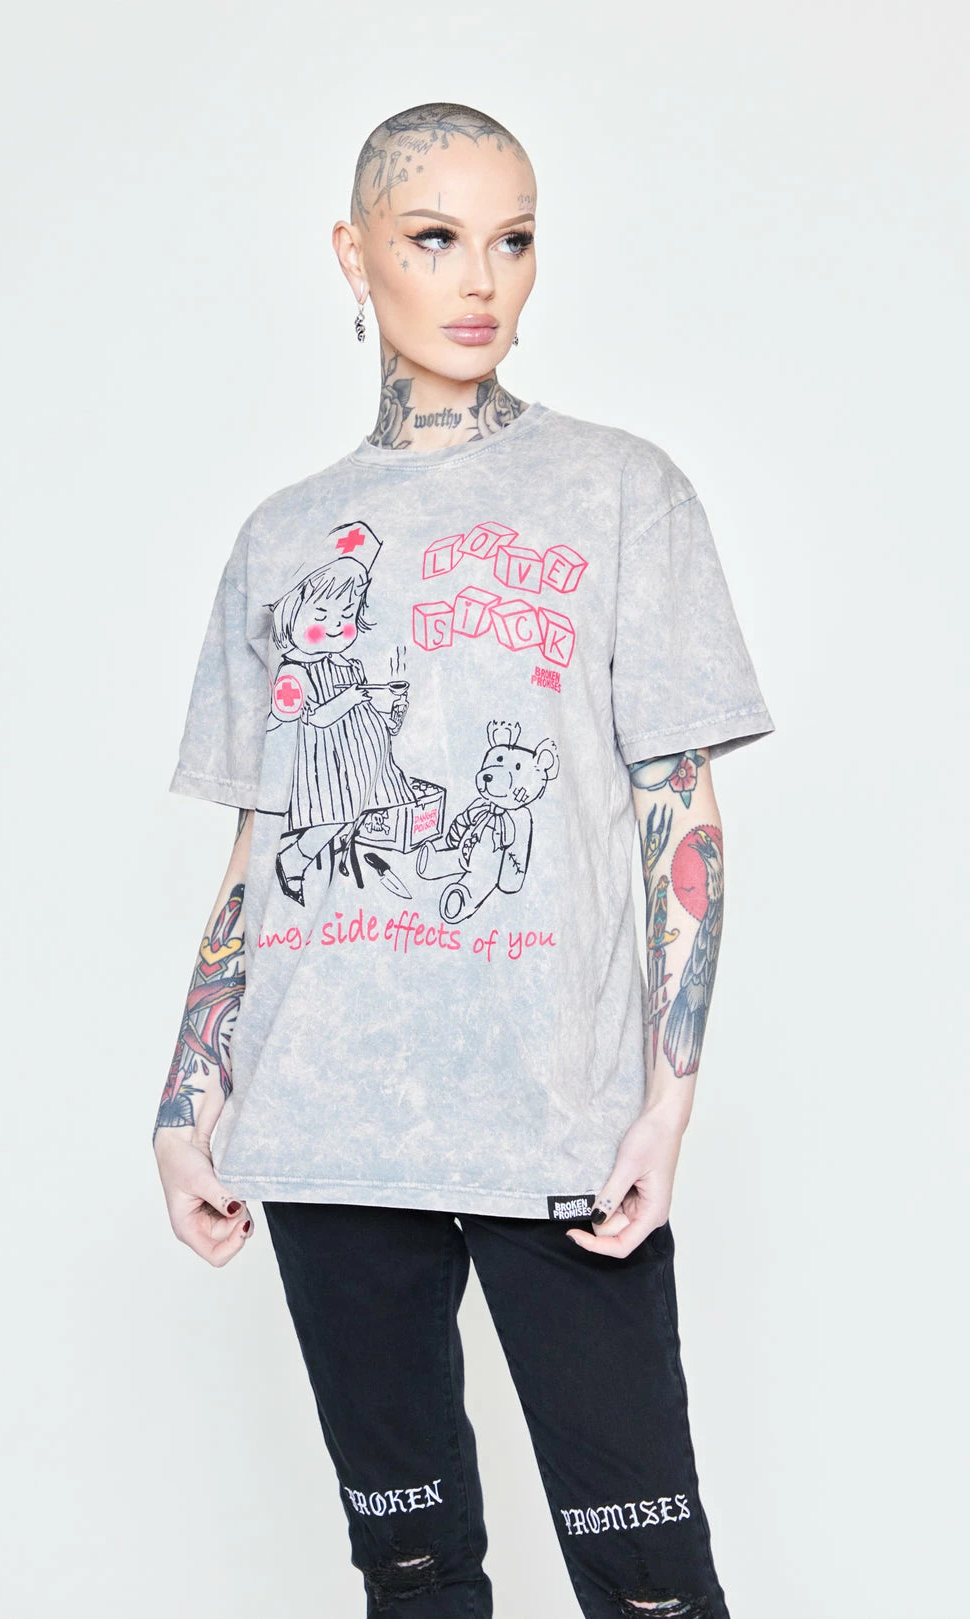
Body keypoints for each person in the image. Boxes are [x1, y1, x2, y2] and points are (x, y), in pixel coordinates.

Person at [153, 102, 774, 1619]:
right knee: (415, 1572)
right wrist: (186, 1101)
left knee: (649, 1579)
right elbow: (260, 849)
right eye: (434, 238)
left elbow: (679, 816)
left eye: (513, 238)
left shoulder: (623, 491)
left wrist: (669, 1098)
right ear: (354, 254)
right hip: (324, 1118)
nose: (480, 278)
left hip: (555, 1118)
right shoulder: (283, 536)